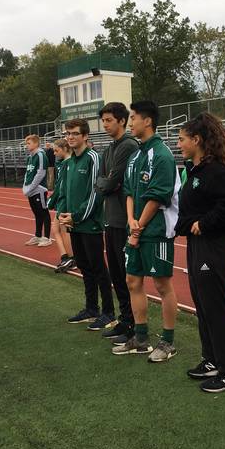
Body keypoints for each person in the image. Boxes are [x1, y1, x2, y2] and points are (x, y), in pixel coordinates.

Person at [176, 112, 225, 392]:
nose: (179, 144)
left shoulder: (216, 170)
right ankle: (211, 360)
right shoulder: (196, 169)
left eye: (182, 139)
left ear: (197, 140)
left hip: (214, 246)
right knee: (202, 303)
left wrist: (204, 223)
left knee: (216, 306)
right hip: (198, 245)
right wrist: (190, 224)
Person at [111, 100, 180, 362]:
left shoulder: (162, 154)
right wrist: (131, 220)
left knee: (162, 284)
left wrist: (138, 226)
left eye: (133, 118)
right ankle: (141, 338)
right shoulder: (136, 155)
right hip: (136, 229)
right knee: (133, 281)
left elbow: (158, 196)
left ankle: (168, 341)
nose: (130, 123)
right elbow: (129, 191)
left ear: (147, 121)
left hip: (157, 231)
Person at [58, 119, 115, 329]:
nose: (70, 137)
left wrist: (78, 215)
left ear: (85, 136)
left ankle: (109, 312)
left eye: (74, 133)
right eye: (68, 134)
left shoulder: (93, 158)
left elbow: (96, 192)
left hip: (89, 223)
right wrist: (63, 214)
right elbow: (63, 192)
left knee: (98, 267)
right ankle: (91, 308)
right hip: (74, 223)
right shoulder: (68, 162)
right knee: (83, 266)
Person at [94, 102, 139, 343]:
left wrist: (106, 182)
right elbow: (102, 182)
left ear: (122, 120)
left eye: (109, 120)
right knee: (116, 273)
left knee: (125, 274)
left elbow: (110, 183)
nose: (105, 124)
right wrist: (106, 182)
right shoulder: (108, 149)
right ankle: (124, 319)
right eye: (104, 120)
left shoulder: (128, 146)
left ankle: (132, 322)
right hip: (110, 220)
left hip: (123, 221)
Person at [47, 138, 75, 273]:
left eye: (56, 150)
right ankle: (66, 256)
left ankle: (71, 257)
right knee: (57, 230)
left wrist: (52, 200)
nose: (54, 153)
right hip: (62, 200)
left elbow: (62, 186)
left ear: (64, 149)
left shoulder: (68, 163)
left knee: (63, 230)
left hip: (64, 202)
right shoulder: (64, 162)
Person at [22, 135, 52, 247]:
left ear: (36, 143)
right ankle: (38, 236)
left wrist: (31, 187)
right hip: (31, 189)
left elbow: (41, 173)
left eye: (29, 143)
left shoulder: (40, 155)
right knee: (37, 213)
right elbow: (27, 173)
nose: (27, 145)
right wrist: (25, 187)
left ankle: (47, 237)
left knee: (44, 212)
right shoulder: (30, 157)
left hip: (39, 189)